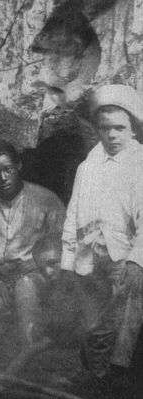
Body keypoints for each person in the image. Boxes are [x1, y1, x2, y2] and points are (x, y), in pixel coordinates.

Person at [60, 84, 143, 380]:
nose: (112, 135)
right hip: (90, 254)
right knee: (91, 320)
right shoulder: (88, 167)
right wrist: (67, 260)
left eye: (120, 128)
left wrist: (137, 259)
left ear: (132, 129)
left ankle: (118, 379)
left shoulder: (139, 164)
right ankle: (95, 374)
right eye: (105, 129)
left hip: (124, 255)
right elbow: (73, 213)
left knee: (122, 323)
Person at [0, 140, 65, 345]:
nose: (3, 178)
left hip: (34, 275)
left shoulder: (46, 199)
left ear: (18, 166)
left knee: (25, 289)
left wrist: (30, 274)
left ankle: (28, 352)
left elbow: (59, 249)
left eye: (8, 170)